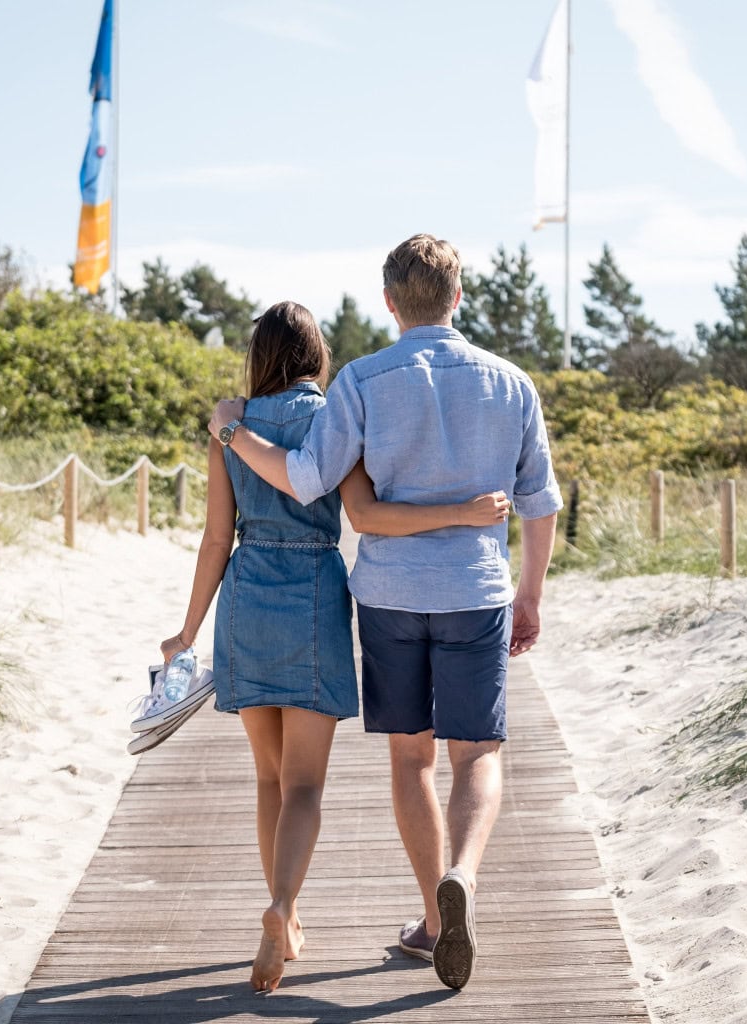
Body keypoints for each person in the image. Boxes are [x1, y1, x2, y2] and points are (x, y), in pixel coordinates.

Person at [208, 236, 564, 991]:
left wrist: (233, 431)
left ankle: (433, 920)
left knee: (411, 758)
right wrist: (530, 593)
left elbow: (307, 479)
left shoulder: (364, 381)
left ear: (390, 304)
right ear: (459, 297)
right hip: (474, 589)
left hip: (388, 595)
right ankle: (458, 878)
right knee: (478, 755)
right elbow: (539, 503)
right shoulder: (511, 384)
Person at [147, 300, 511, 994]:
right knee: (306, 785)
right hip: (311, 593)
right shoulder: (333, 417)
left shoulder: (232, 426)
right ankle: (280, 908)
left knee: (268, 780)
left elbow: (215, 539)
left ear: (259, 360)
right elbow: (360, 510)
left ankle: (286, 916)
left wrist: (188, 631)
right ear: (317, 357)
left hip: (247, 597)